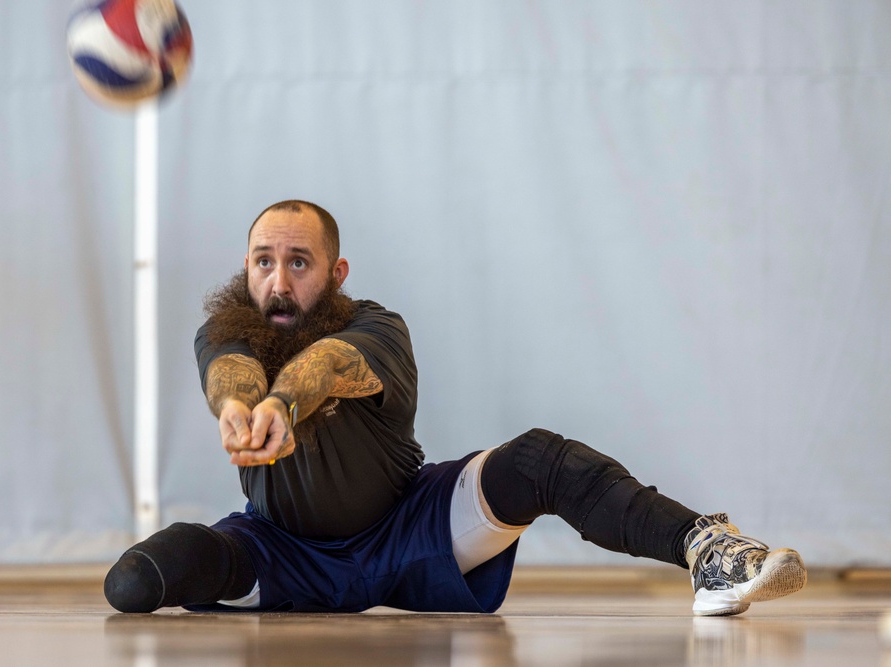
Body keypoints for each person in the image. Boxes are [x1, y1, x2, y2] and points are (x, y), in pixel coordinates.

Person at [104, 200, 807, 617]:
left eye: (299, 261)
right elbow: (227, 370)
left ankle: (705, 548)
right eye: (263, 261)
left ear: (336, 273)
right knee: (136, 580)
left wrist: (285, 403)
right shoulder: (230, 331)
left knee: (537, 458)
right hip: (283, 550)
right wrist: (239, 405)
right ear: (245, 268)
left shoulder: (375, 328)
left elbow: (332, 367)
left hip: (415, 524)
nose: (279, 281)